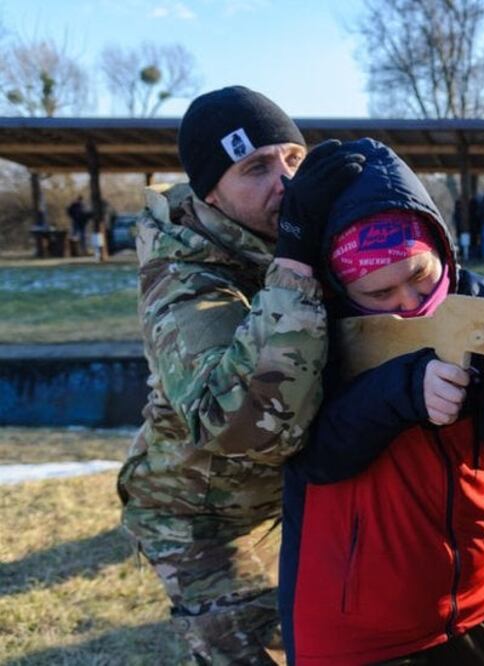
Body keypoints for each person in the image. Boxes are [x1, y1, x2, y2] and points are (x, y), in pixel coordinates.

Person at [279, 138, 484, 665]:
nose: (408, 306)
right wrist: (403, 390)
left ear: (439, 246)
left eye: (419, 276)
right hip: (354, 631)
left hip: (476, 596)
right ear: (342, 289)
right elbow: (310, 454)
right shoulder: (305, 330)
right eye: (379, 295)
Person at [116, 85, 365, 664]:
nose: (285, 182)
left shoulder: (281, 234)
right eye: (255, 167)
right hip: (201, 518)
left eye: (293, 159)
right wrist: (298, 262)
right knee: (259, 651)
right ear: (212, 194)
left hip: (288, 494)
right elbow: (236, 426)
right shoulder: (181, 279)